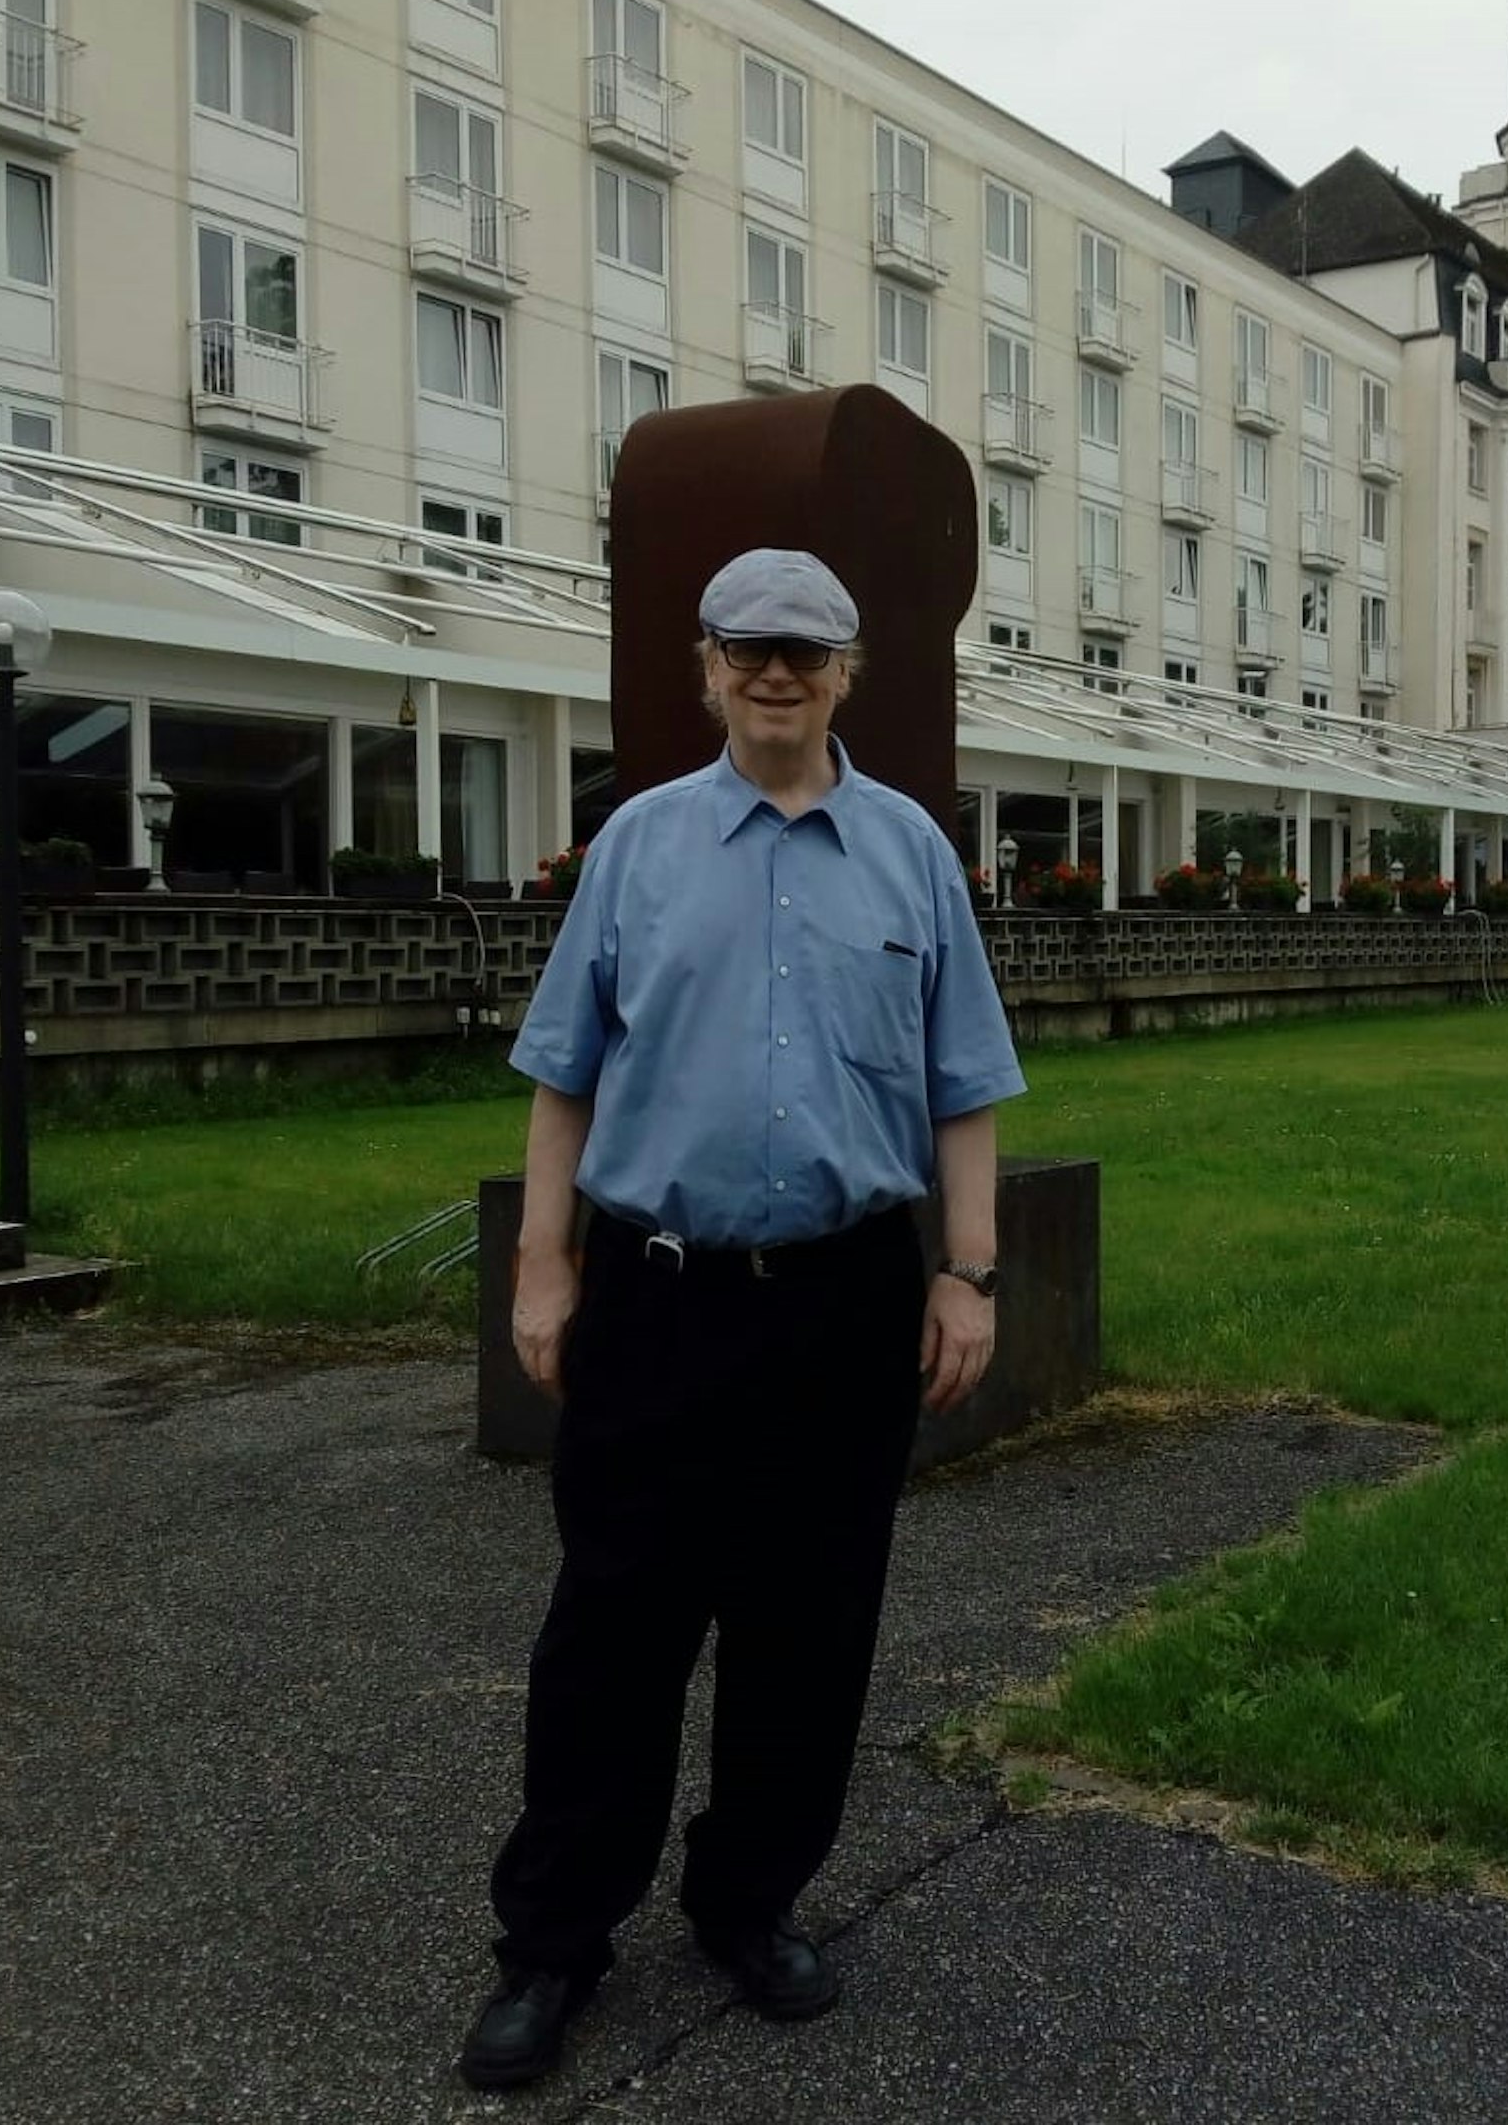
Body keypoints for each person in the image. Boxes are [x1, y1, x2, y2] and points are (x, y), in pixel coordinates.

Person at [460, 546, 1026, 2093]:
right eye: (749, 649)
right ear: (706, 668)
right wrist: (542, 1262)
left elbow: (966, 1086)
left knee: (810, 1628)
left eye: (807, 650)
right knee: (613, 1633)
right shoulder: (637, 846)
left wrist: (965, 1272)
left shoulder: (911, 854)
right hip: (655, 1298)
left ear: (849, 672)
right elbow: (562, 1073)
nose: (777, 673)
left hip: (844, 1303)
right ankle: (554, 1941)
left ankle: (748, 1899)